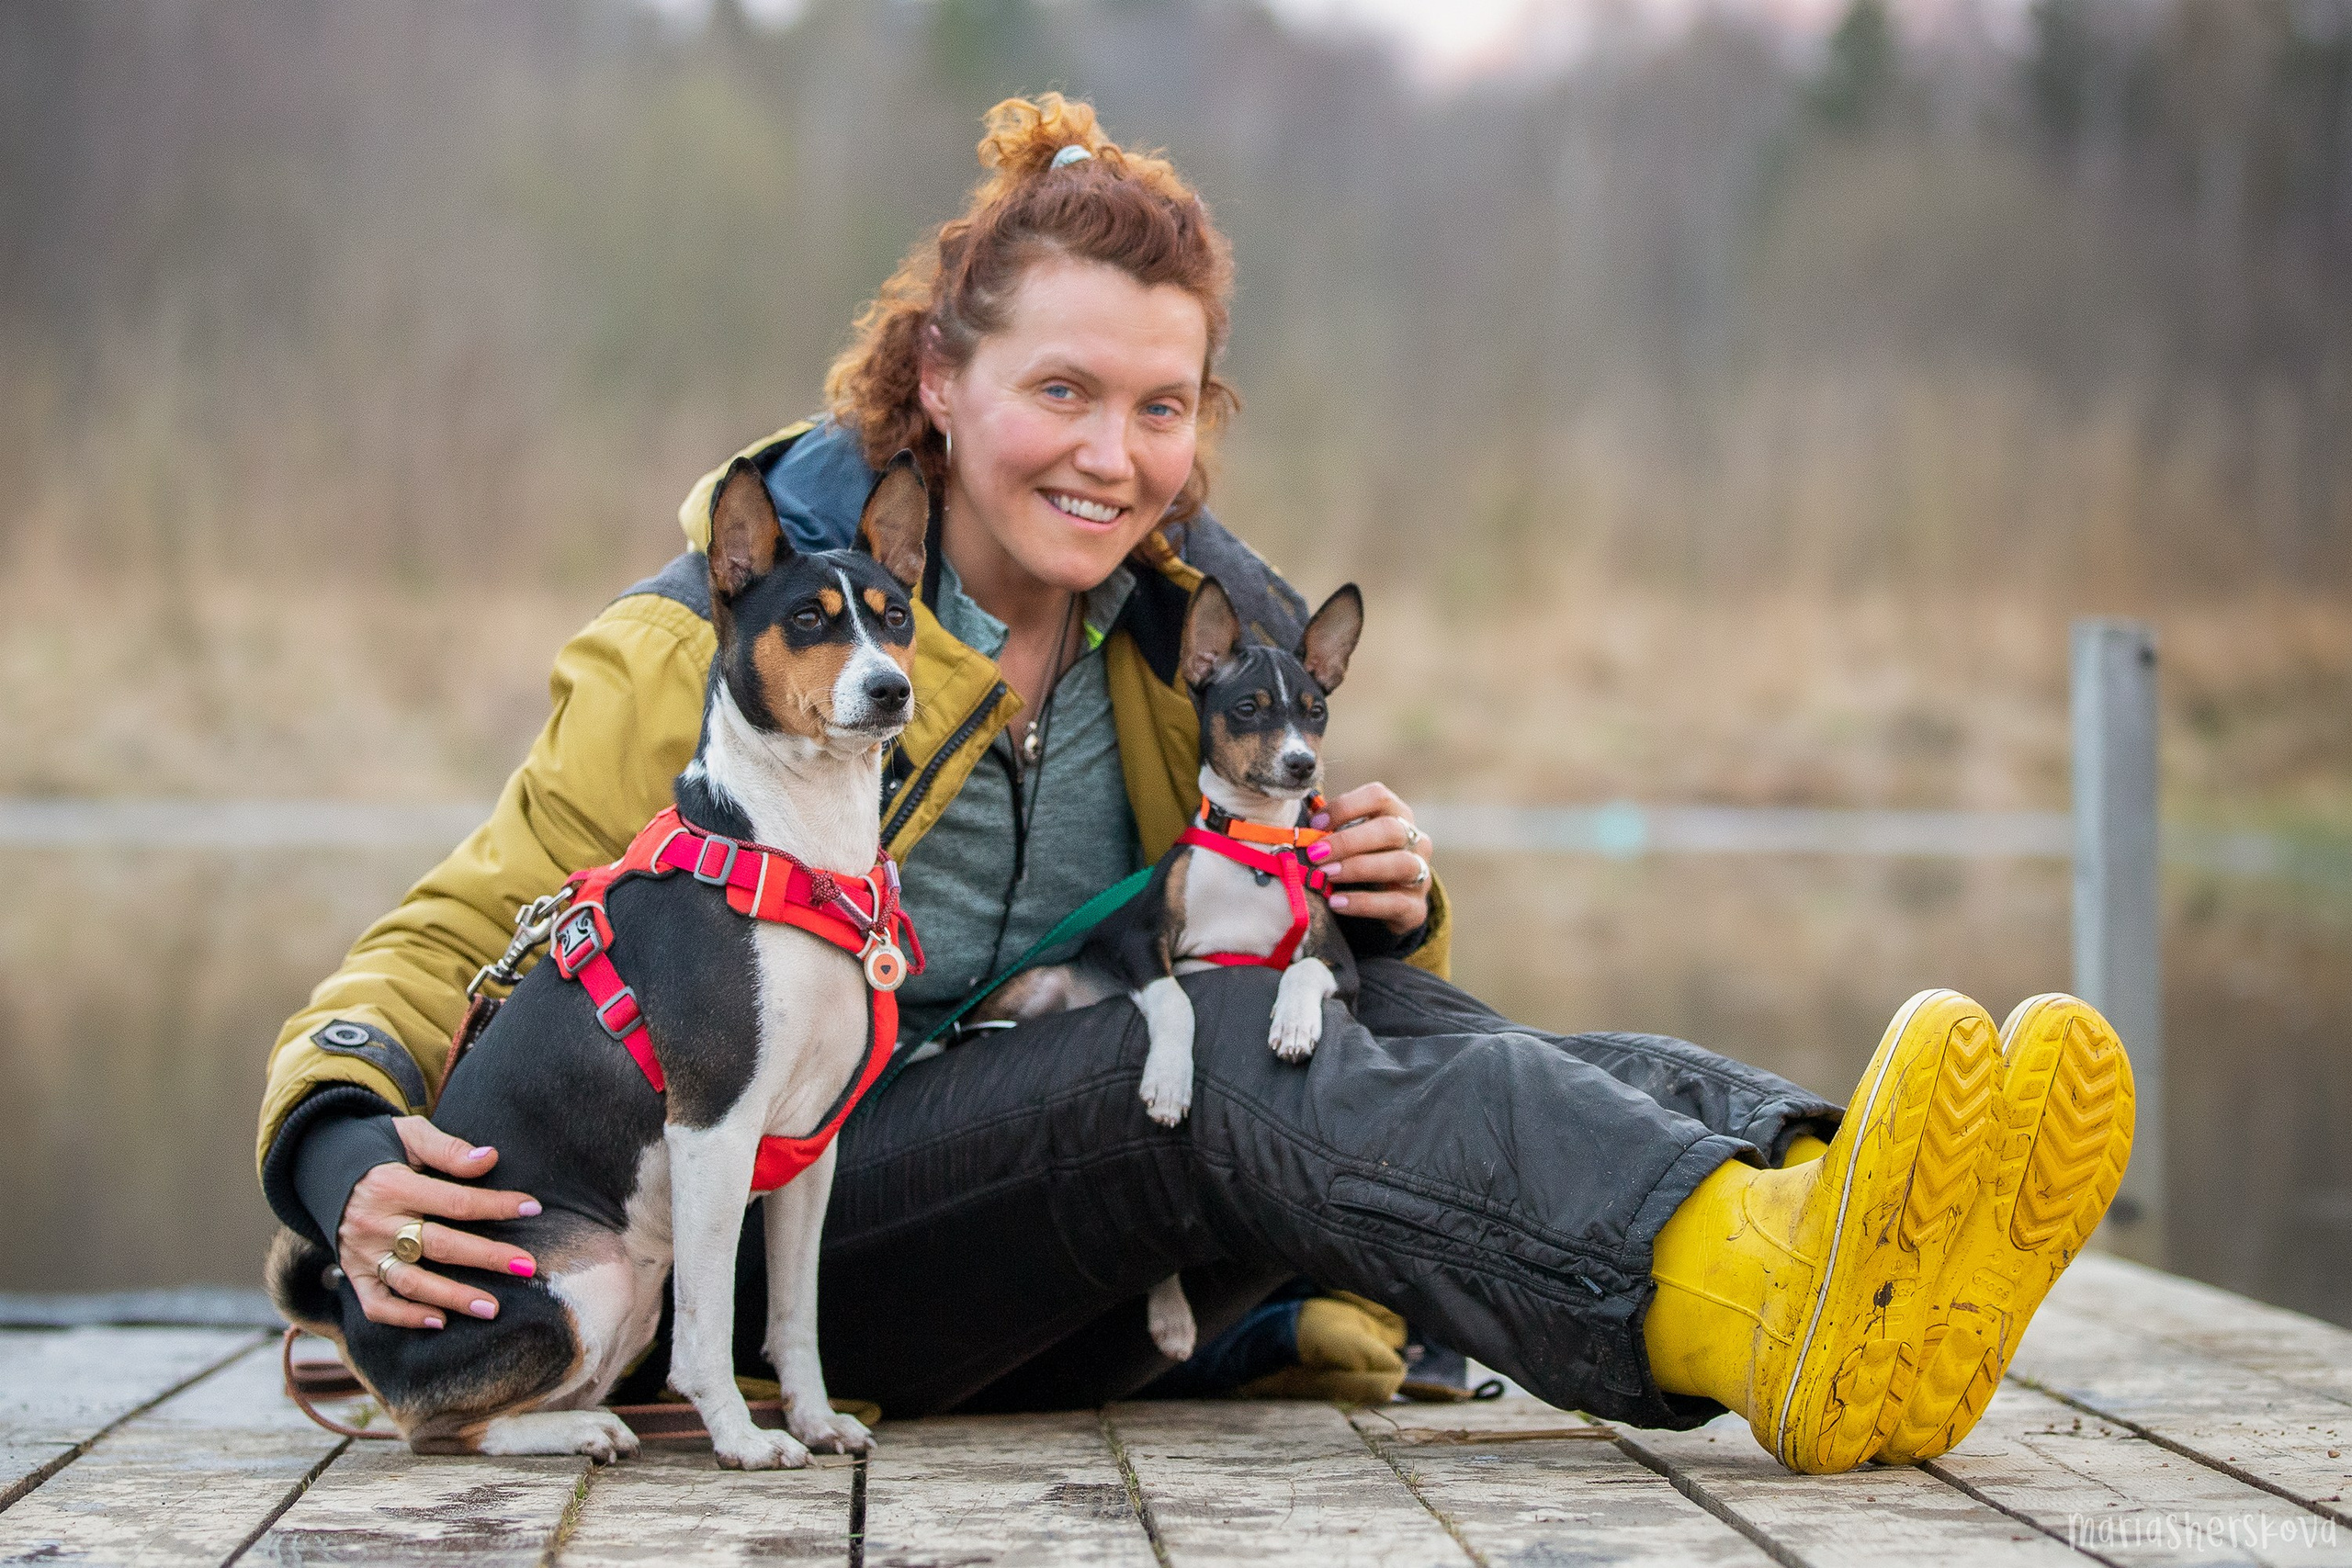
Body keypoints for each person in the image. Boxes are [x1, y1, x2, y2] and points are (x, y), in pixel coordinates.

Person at [254, 95, 2132, 1471]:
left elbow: (1311, 968)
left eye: (1161, 405)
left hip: (1065, 1216)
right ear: (940, 377)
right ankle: (1750, 1292)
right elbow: (449, 933)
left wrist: (1376, 886)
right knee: (1223, 1052)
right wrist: (343, 1155)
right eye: (1062, 391)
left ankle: (1838, 1195)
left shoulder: (1191, 630)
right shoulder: (723, 645)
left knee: (1355, 998)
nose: (1114, 454)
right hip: (795, 1229)